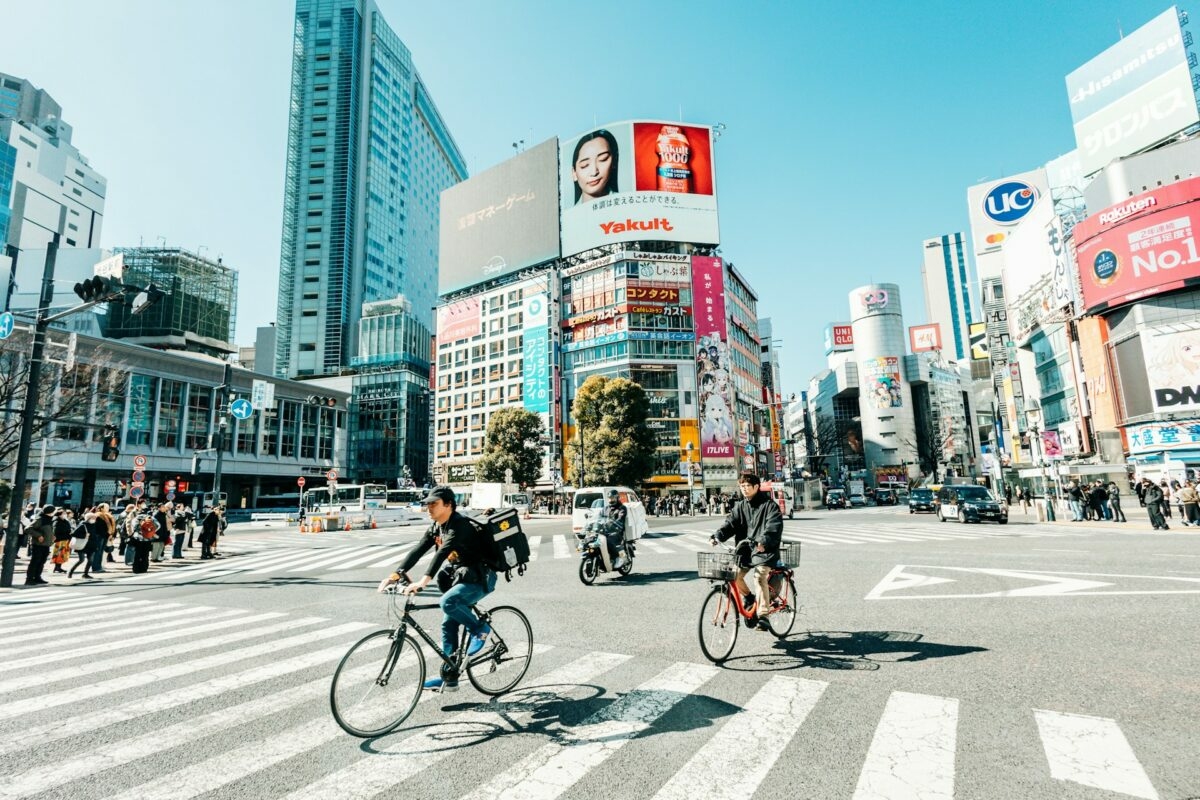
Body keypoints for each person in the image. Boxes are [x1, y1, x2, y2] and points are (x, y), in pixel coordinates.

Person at [376, 486, 496, 693]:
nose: (429, 507)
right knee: (447, 624)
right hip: (461, 577)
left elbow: (442, 553)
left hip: (481, 578)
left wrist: (423, 581)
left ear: (448, 505)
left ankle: (479, 629)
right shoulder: (436, 527)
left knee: (447, 603)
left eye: (434, 504)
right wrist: (395, 575)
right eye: (428, 504)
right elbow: (418, 550)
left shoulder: (460, 525)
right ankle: (449, 676)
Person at [711, 473, 783, 626]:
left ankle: (763, 615)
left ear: (756, 487)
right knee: (734, 576)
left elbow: (773, 527)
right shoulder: (740, 506)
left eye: (747, 486)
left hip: (765, 552)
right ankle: (750, 598)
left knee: (759, 576)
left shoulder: (770, 506)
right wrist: (718, 536)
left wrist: (763, 542)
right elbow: (730, 524)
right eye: (742, 486)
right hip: (745, 551)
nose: (744, 489)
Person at [571, 129, 618, 203]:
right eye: (585, 165)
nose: (594, 172)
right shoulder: (568, 214)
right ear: (574, 173)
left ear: (614, 162)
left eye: (603, 159)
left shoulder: (626, 207)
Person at [596, 489, 629, 570]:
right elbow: (598, 518)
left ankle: (617, 557)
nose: (611, 500)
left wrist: (612, 524)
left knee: (608, 540)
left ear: (617, 498)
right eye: (609, 498)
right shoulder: (605, 508)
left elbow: (621, 519)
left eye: (613, 498)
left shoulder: (622, 508)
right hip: (605, 531)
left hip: (617, 531)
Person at [24, 505, 55, 586]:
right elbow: (28, 528)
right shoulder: (40, 519)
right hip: (38, 544)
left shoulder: (49, 520)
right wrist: (38, 535)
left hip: (46, 544)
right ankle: (29, 579)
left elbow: (47, 530)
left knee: (41, 561)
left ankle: (37, 577)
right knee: (35, 561)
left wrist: (52, 536)